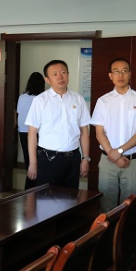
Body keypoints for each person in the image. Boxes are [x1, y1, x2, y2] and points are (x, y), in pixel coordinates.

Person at [90, 58, 136, 213]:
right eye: (116, 71)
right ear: (110, 75)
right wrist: (113, 155)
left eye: (124, 71)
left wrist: (118, 151)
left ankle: (126, 231)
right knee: (106, 204)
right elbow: (99, 133)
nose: (121, 75)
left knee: (130, 205)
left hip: (132, 161)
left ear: (130, 74)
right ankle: (107, 230)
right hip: (108, 161)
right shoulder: (103, 101)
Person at [25, 60, 90, 189]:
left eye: (63, 72)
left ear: (68, 75)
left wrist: (86, 158)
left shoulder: (78, 99)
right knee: (46, 198)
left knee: (71, 197)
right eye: (55, 74)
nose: (60, 77)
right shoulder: (40, 100)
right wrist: (33, 163)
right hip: (48, 159)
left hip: (73, 159)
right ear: (47, 79)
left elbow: (84, 131)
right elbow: (32, 134)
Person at [17, 72, 45, 188]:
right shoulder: (41, 98)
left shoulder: (22, 97)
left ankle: (28, 190)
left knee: (29, 162)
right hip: (37, 133)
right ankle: (34, 190)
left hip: (22, 131)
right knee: (39, 163)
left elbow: (18, 113)